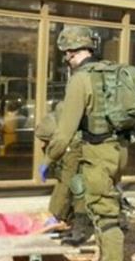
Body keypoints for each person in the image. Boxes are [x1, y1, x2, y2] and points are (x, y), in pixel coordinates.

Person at [39, 26, 129, 261]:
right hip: (119, 149)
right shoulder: (112, 73)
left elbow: (65, 132)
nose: (66, 59)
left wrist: (48, 158)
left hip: (98, 150)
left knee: (105, 216)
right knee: (104, 206)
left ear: (72, 52)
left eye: (66, 54)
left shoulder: (81, 79)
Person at [35, 102, 92, 246]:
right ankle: (73, 225)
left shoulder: (69, 142)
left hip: (77, 151)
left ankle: (77, 231)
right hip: (88, 149)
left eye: (46, 142)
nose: (43, 146)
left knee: (76, 188)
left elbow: (66, 185)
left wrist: (56, 214)